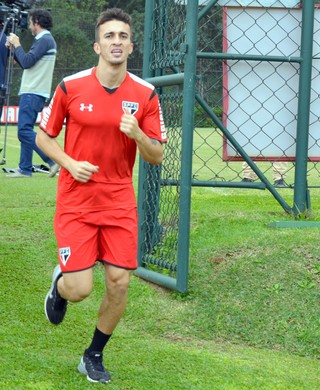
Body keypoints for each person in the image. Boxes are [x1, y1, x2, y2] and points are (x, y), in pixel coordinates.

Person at [36, 8, 166, 384]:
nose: (116, 42)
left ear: (131, 45)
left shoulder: (145, 94)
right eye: (109, 36)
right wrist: (68, 162)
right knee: (80, 289)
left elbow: (156, 155)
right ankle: (60, 285)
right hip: (77, 198)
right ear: (97, 45)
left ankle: (92, 355)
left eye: (123, 36)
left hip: (119, 200)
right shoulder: (71, 86)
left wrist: (138, 134)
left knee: (119, 281)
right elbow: (43, 136)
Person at [5, 9, 59, 178]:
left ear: (36, 22)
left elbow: (27, 62)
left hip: (33, 91)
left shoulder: (45, 39)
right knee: (26, 129)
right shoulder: (44, 40)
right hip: (34, 91)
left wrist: (18, 43)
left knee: (23, 132)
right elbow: (27, 62)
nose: (29, 26)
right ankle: (25, 168)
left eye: (30, 22)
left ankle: (52, 160)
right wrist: (14, 50)